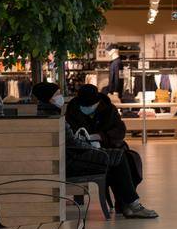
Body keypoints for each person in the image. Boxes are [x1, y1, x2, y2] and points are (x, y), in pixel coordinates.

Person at [65, 84, 158, 219]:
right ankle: (130, 205)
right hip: (85, 152)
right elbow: (73, 139)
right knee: (119, 160)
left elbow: (119, 131)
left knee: (130, 158)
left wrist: (100, 136)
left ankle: (126, 203)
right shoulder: (73, 110)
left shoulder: (108, 109)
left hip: (108, 146)